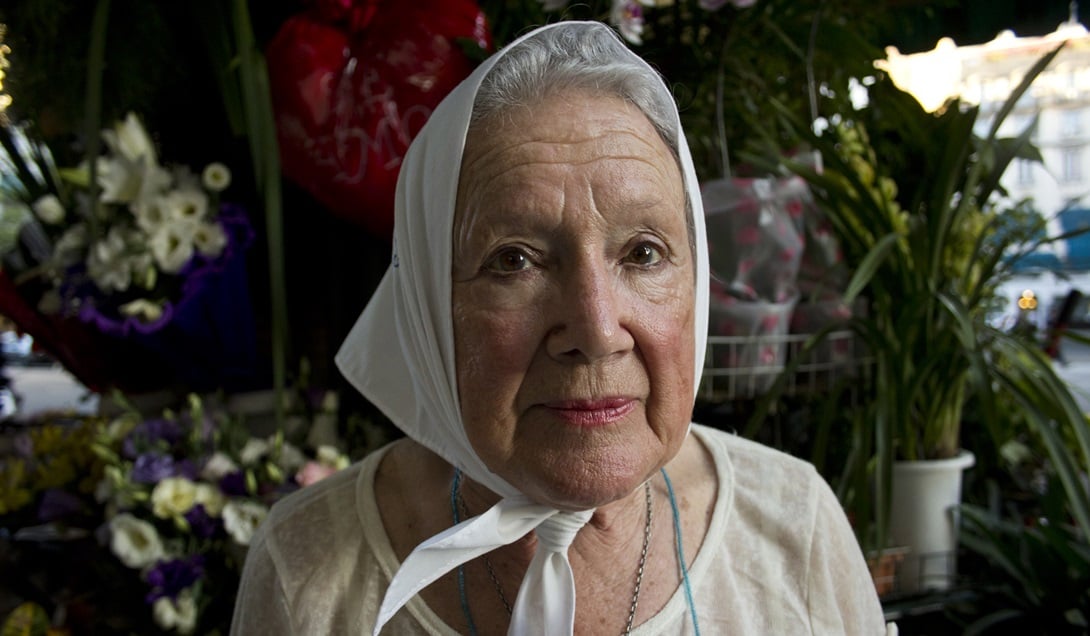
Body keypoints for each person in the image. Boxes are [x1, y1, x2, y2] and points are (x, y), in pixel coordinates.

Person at [231, 21, 893, 635]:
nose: (597, 328)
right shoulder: (310, 568)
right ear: (429, 303)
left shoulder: (792, 526)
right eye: (514, 260)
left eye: (642, 253)